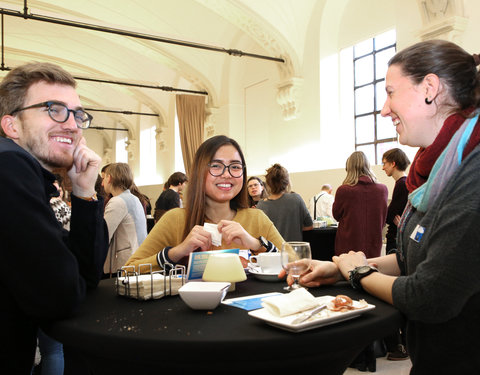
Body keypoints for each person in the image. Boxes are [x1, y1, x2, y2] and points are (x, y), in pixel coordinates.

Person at [283, 40, 480, 374]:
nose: (384, 109)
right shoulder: (433, 173)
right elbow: (412, 257)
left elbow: (428, 296)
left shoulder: (471, 173)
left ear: (430, 89)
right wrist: (338, 269)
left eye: (391, 92)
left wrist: (358, 272)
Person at [0, 62, 108, 374]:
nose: (73, 125)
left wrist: (85, 190)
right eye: (53, 109)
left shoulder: (29, 178)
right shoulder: (10, 169)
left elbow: (85, 279)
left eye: (77, 114)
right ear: (12, 126)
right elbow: (60, 296)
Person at [125, 135, 284, 272]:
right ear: (199, 172)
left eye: (235, 167)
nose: (227, 174)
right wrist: (177, 252)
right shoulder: (175, 219)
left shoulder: (256, 218)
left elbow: (295, 264)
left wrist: (256, 244)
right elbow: (128, 271)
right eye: (216, 166)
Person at [332, 151, 388, 258]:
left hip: (348, 247)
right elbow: (383, 218)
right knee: (371, 273)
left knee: (347, 273)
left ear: (349, 168)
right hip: (373, 245)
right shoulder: (383, 190)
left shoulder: (344, 190)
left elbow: (336, 215)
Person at [102, 163, 148, 276]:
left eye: (103, 178)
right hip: (139, 255)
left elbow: (104, 234)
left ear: (110, 178)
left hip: (127, 261)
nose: (102, 183)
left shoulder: (117, 201)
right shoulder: (134, 198)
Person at [257, 163, 313, 242]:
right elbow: (309, 226)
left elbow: (259, 234)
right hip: (293, 251)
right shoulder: (296, 199)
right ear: (287, 182)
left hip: (271, 253)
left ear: (268, 183)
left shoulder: (261, 205)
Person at [382, 148, 410, 253]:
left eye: (384, 164)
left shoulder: (402, 184)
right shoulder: (403, 182)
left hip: (396, 238)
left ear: (393, 164)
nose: (383, 168)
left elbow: (389, 216)